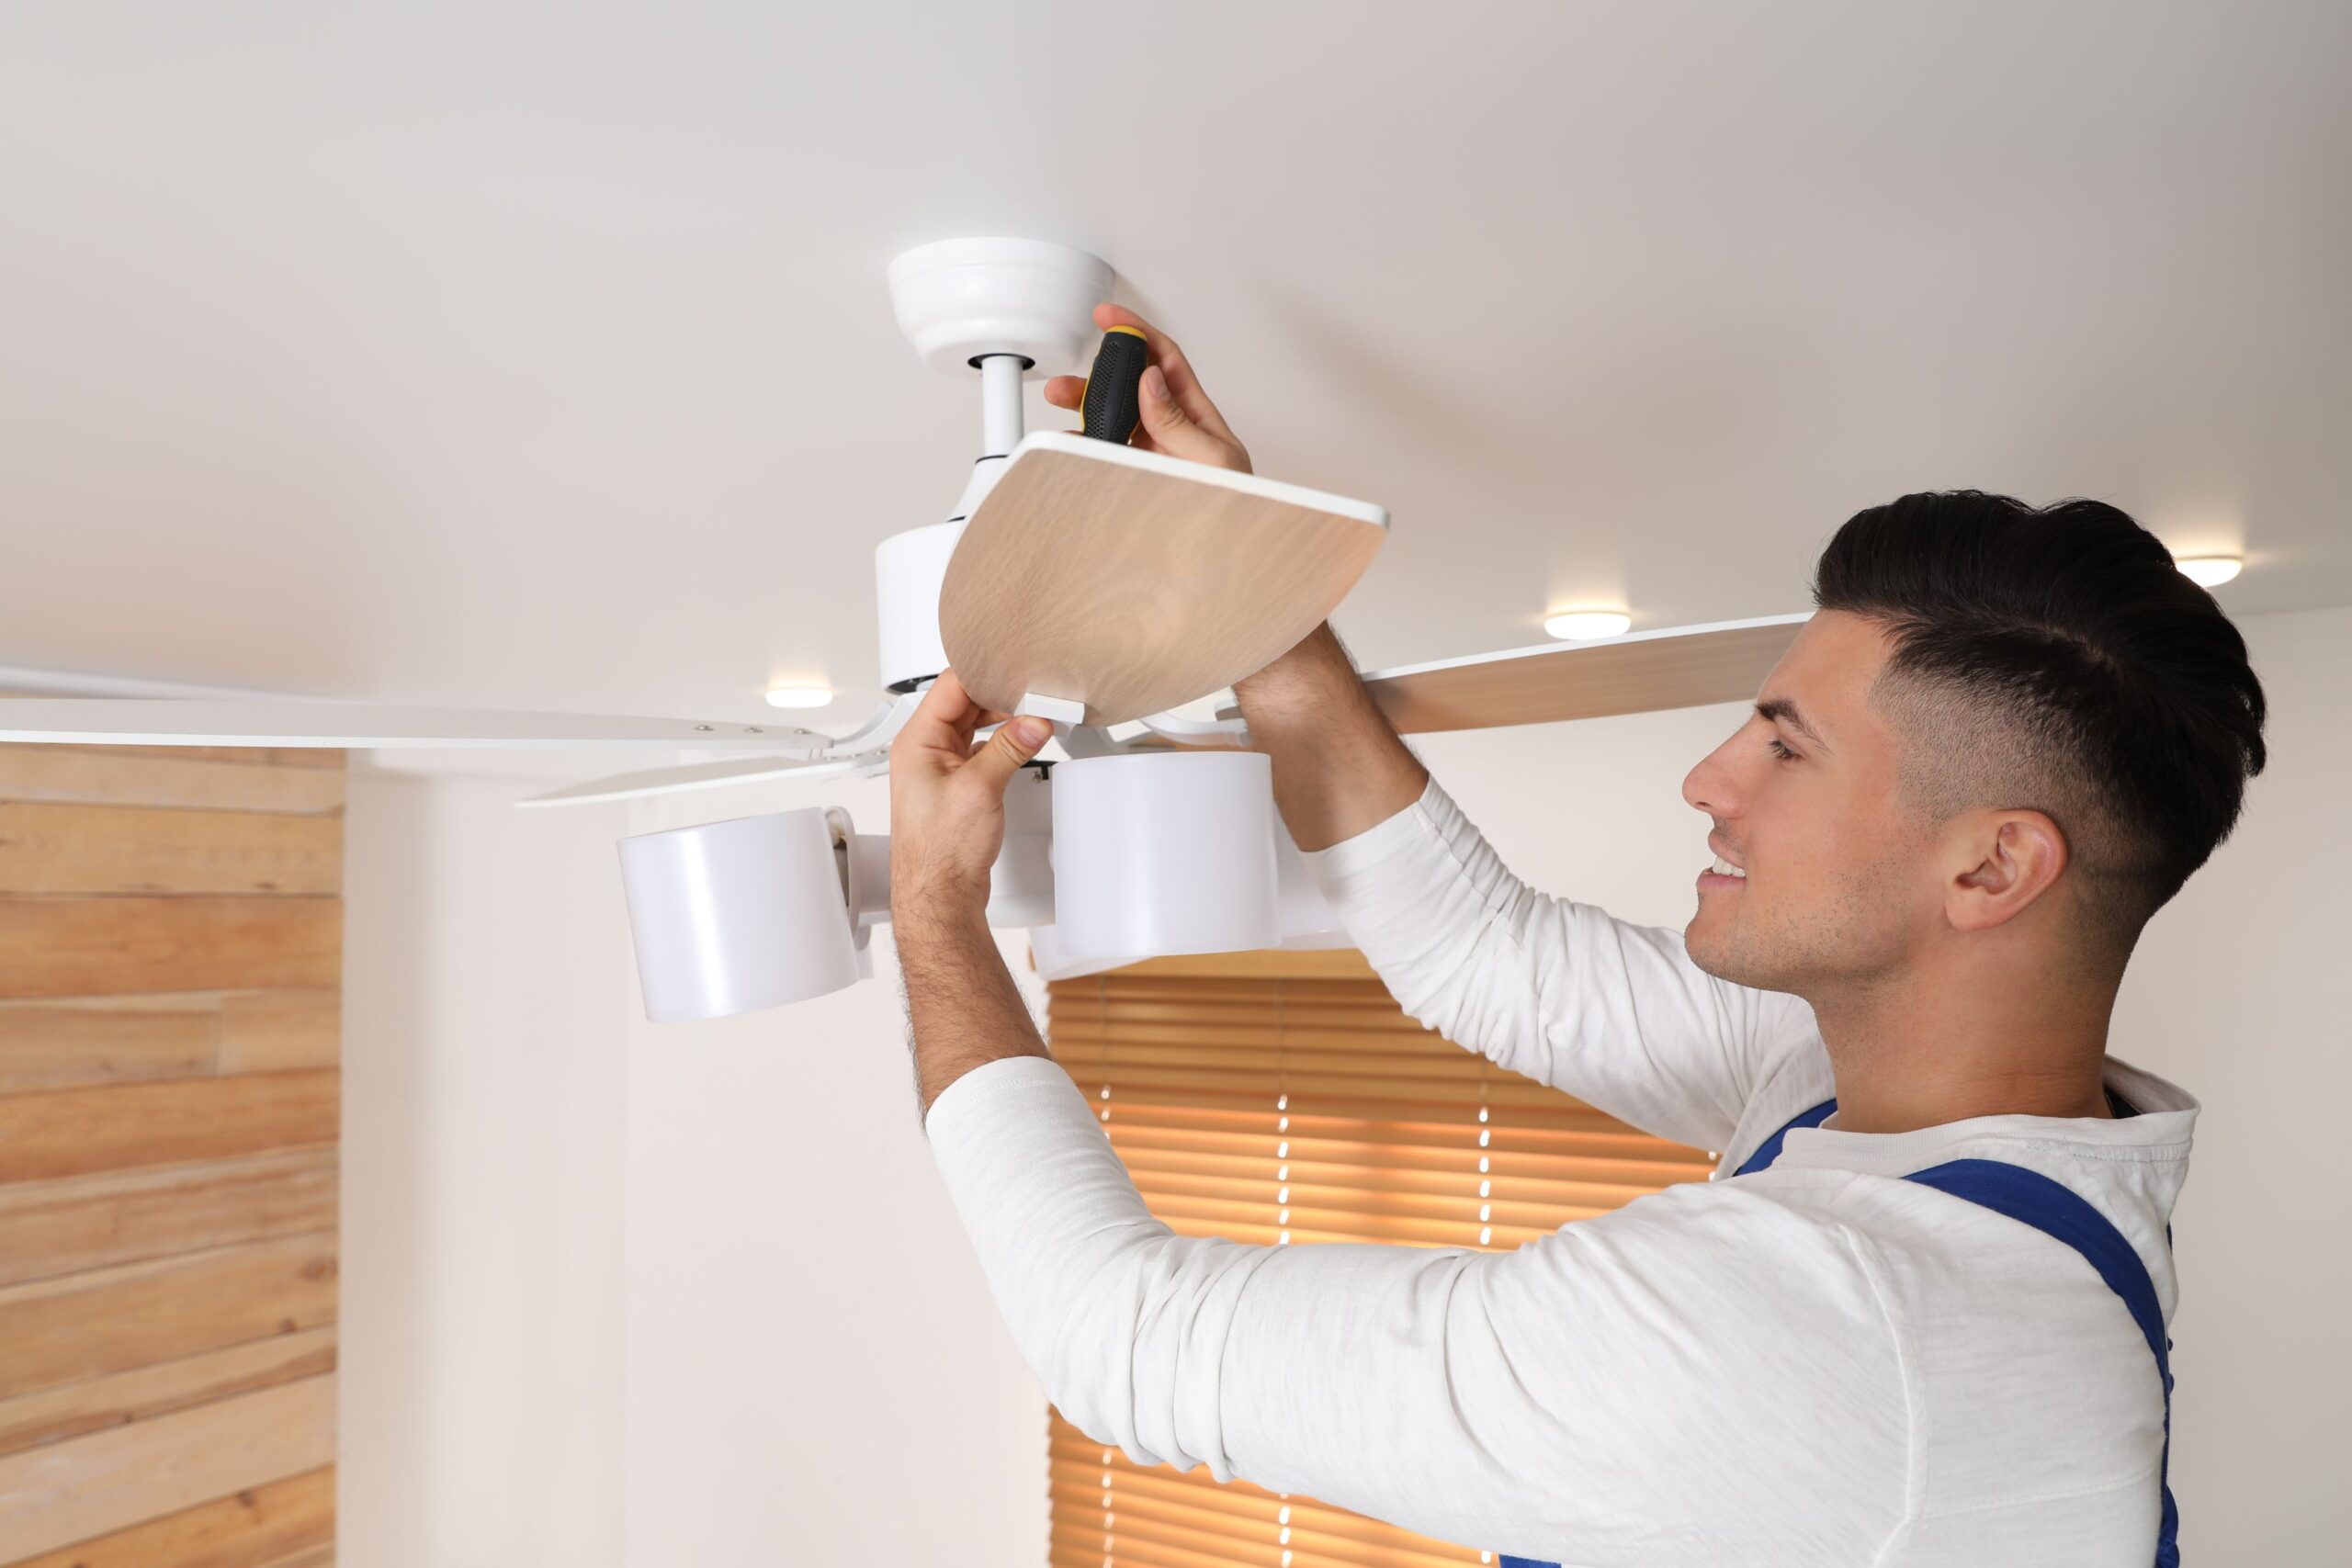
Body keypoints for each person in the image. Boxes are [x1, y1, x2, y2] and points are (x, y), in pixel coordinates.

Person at [887, 303, 2267, 1566]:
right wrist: (1243, 573)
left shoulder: (1836, 1329)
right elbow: (1489, 959)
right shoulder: (1885, 1091)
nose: (1709, 780)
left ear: (1991, 869)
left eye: (1786, 752)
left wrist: (934, 907)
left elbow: (1126, 1338)